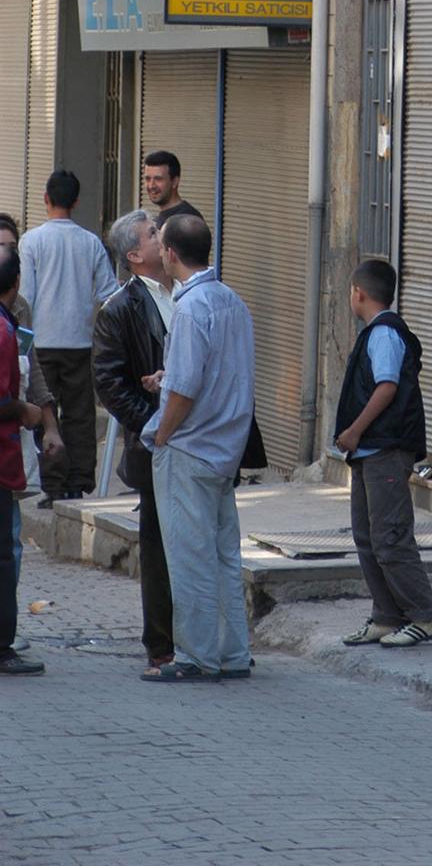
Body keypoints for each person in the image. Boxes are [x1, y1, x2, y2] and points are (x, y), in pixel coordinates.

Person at [140, 213, 254, 683]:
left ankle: (196, 656)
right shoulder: (230, 300)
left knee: (189, 557)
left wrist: (163, 433)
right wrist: (170, 385)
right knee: (224, 555)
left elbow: (186, 388)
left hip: (189, 449)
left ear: (169, 254)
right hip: (225, 447)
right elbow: (222, 372)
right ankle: (233, 653)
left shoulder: (189, 309)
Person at [334, 259, 432, 649]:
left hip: (385, 449)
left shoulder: (384, 335)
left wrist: (354, 430)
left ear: (358, 293)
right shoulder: (374, 334)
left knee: (391, 537)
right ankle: (386, 615)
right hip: (368, 451)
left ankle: (423, 617)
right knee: (367, 537)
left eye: (350, 291)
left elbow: (387, 387)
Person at [92, 210, 174, 672]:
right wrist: (155, 426)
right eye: (152, 233)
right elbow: (110, 384)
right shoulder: (119, 309)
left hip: (198, 443)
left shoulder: (189, 291)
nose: (161, 237)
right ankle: (161, 644)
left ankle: (201, 637)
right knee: (159, 546)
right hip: (156, 444)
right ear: (134, 255)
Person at [19, 170, 119, 505]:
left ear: (46, 199)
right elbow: (109, 293)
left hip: (42, 344)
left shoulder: (31, 241)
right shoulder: (90, 241)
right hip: (79, 343)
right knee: (79, 414)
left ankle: (52, 485)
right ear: (76, 201)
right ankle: (78, 482)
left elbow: (26, 297)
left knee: (46, 415)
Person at [0, 246, 46, 675]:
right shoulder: (2, 330)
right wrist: (25, 412)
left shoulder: (12, 323)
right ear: (14, 284)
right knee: (3, 556)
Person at [142, 152, 203, 227]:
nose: (151, 185)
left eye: (158, 179)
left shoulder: (186, 222)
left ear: (175, 182)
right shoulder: (164, 218)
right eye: (147, 179)